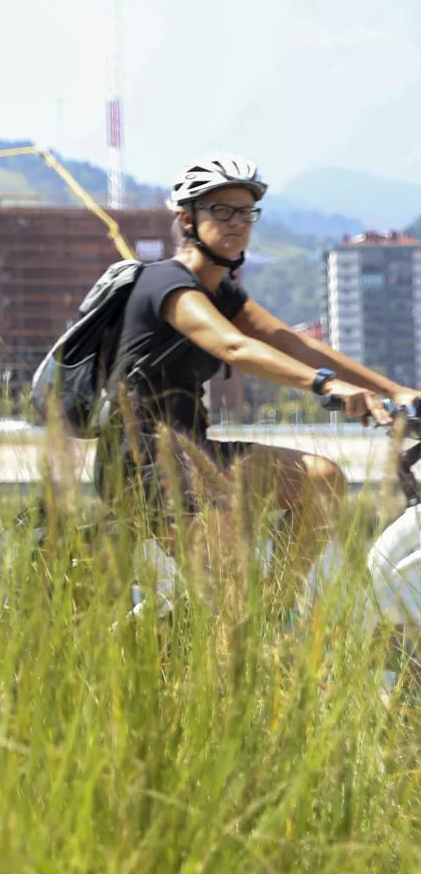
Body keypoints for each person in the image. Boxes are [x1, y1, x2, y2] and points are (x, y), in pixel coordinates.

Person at [97, 154, 421, 584]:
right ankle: (237, 633)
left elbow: (294, 342)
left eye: (246, 212)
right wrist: (328, 387)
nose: (237, 222)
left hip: (196, 451)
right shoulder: (165, 284)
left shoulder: (223, 292)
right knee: (228, 595)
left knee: (321, 480)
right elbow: (234, 346)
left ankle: (270, 622)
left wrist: (395, 390)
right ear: (188, 220)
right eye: (221, 211)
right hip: (144, 465)